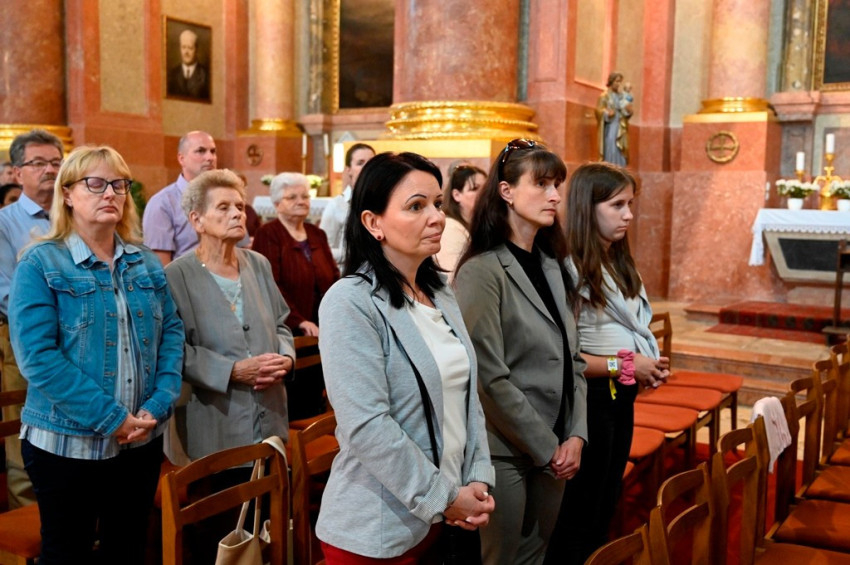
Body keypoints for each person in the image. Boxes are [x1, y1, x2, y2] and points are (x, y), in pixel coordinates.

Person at [316, 152, 495, 563]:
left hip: (447, 514)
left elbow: (468, 398)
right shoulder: (351, 302)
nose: (436, 218)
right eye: (416, 206)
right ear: (373, 223)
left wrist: (478, 476)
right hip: (379, 526)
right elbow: (367, 426)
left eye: (437, 204)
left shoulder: (440, 292)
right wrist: (445, 498)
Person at [9, 145, 184, 564]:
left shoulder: (143, 261)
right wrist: (112, 418)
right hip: (67, 443)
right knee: (67, 553)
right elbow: (38, 358)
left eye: (119, 185)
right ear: (67, 193)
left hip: (140, 438)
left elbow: (172, 332)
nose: (110, 193)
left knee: (127, 549)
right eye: (95, 183)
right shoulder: (40, 263)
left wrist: (159, 403)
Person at [454, 139, 588, 565]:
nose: (555, 196)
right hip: (506, 449)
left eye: (557, 185)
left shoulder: (551, 264)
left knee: (536, 555)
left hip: (557, 441)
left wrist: (576, 435)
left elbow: (573, 360)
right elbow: (489, 377)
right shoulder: (482, 270)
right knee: (503, 558)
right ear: (507, 191)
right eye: (542, 184)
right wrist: (547, 447)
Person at [547, 162, 669, 564]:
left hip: (621, 394)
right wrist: (630, 364)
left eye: (630, 204)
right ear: (588, 207)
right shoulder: (569, 267)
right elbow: (566, 358)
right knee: (583, 504)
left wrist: (645, 365)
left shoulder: (616, 260)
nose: (628, 215)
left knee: (607, 495)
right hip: (591, 399)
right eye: (617, 205)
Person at [0, 129, 64, 509]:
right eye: (38, 163)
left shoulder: (76, 215)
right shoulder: (5, 223)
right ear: (16, 172)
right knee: (26, 436)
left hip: (82, 340)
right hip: (25, 341)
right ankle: (29, 519)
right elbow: (8, 294)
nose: (50, 170)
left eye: (56, 162)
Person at [253, 172, 339, 337]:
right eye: (292, 197)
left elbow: (334, 276)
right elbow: (270, 284)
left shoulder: (317, 234)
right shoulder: (268, 234)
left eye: (305, 196)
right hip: (288, 329)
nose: (301, 201)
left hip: (326, 324)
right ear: (277, 204)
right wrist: (298, 321)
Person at [143, 130, 230, 265]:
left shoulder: (227, 198)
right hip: (186, 277)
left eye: (213, 151)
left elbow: (240, 249)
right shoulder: (162, 203)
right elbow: (160, 268)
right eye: (201, 151)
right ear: (181, 158)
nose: (210, 158)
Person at [320, 142, 374, 265]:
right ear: (349, 170)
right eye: (360, 163)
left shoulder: (385, 201)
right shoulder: (337, 205)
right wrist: (355, 254)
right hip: (348, 271)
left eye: (371, 162)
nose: (367, 167)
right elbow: (323, 250)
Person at [435, 163, 486, 281]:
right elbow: (453, 278)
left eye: (485, 189)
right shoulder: (451, 228)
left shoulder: (478, 226)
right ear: (456, 195)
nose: (483, 194)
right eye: (474, 189)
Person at [595, 72, 633, 166]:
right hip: (610, 127)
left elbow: (625, 111)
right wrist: (607, 114)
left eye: (620, 82)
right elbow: (598, 111)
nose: (619, 84)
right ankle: (610, 168)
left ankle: (621, 169)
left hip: (620, 126)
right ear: (611, 81)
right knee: (611, 147)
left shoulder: (622, 96)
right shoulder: (604, 96)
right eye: (617, 81)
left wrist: (629, 111)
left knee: (621, 149)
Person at [167, 28, 210, 99]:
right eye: (183, 47)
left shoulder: (206, 76)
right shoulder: (172, 74)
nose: (186, 52)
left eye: (190, 48)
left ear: (196, 49)